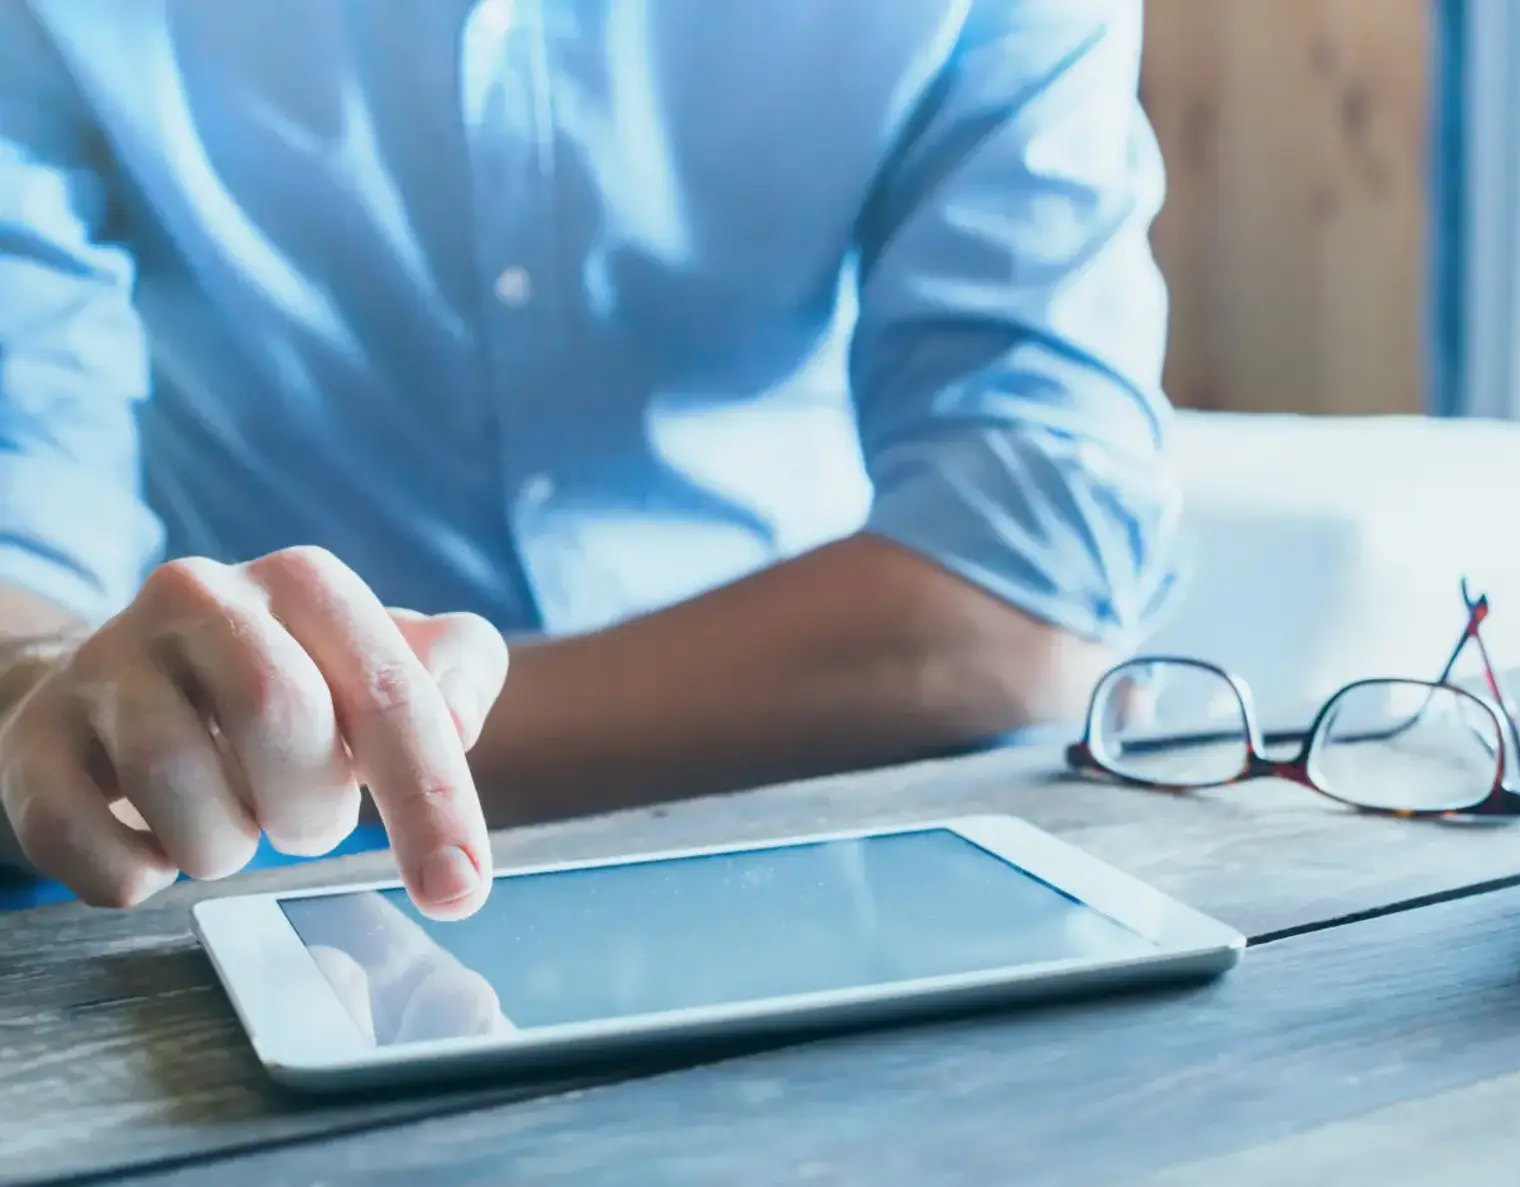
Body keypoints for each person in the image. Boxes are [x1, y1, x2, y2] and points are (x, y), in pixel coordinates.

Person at [0, 2, 1181, 917]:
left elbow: (1024, 584)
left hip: (831, 828)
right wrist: (58, 696)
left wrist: (339, 739)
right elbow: (24, 509)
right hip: (236, 882)